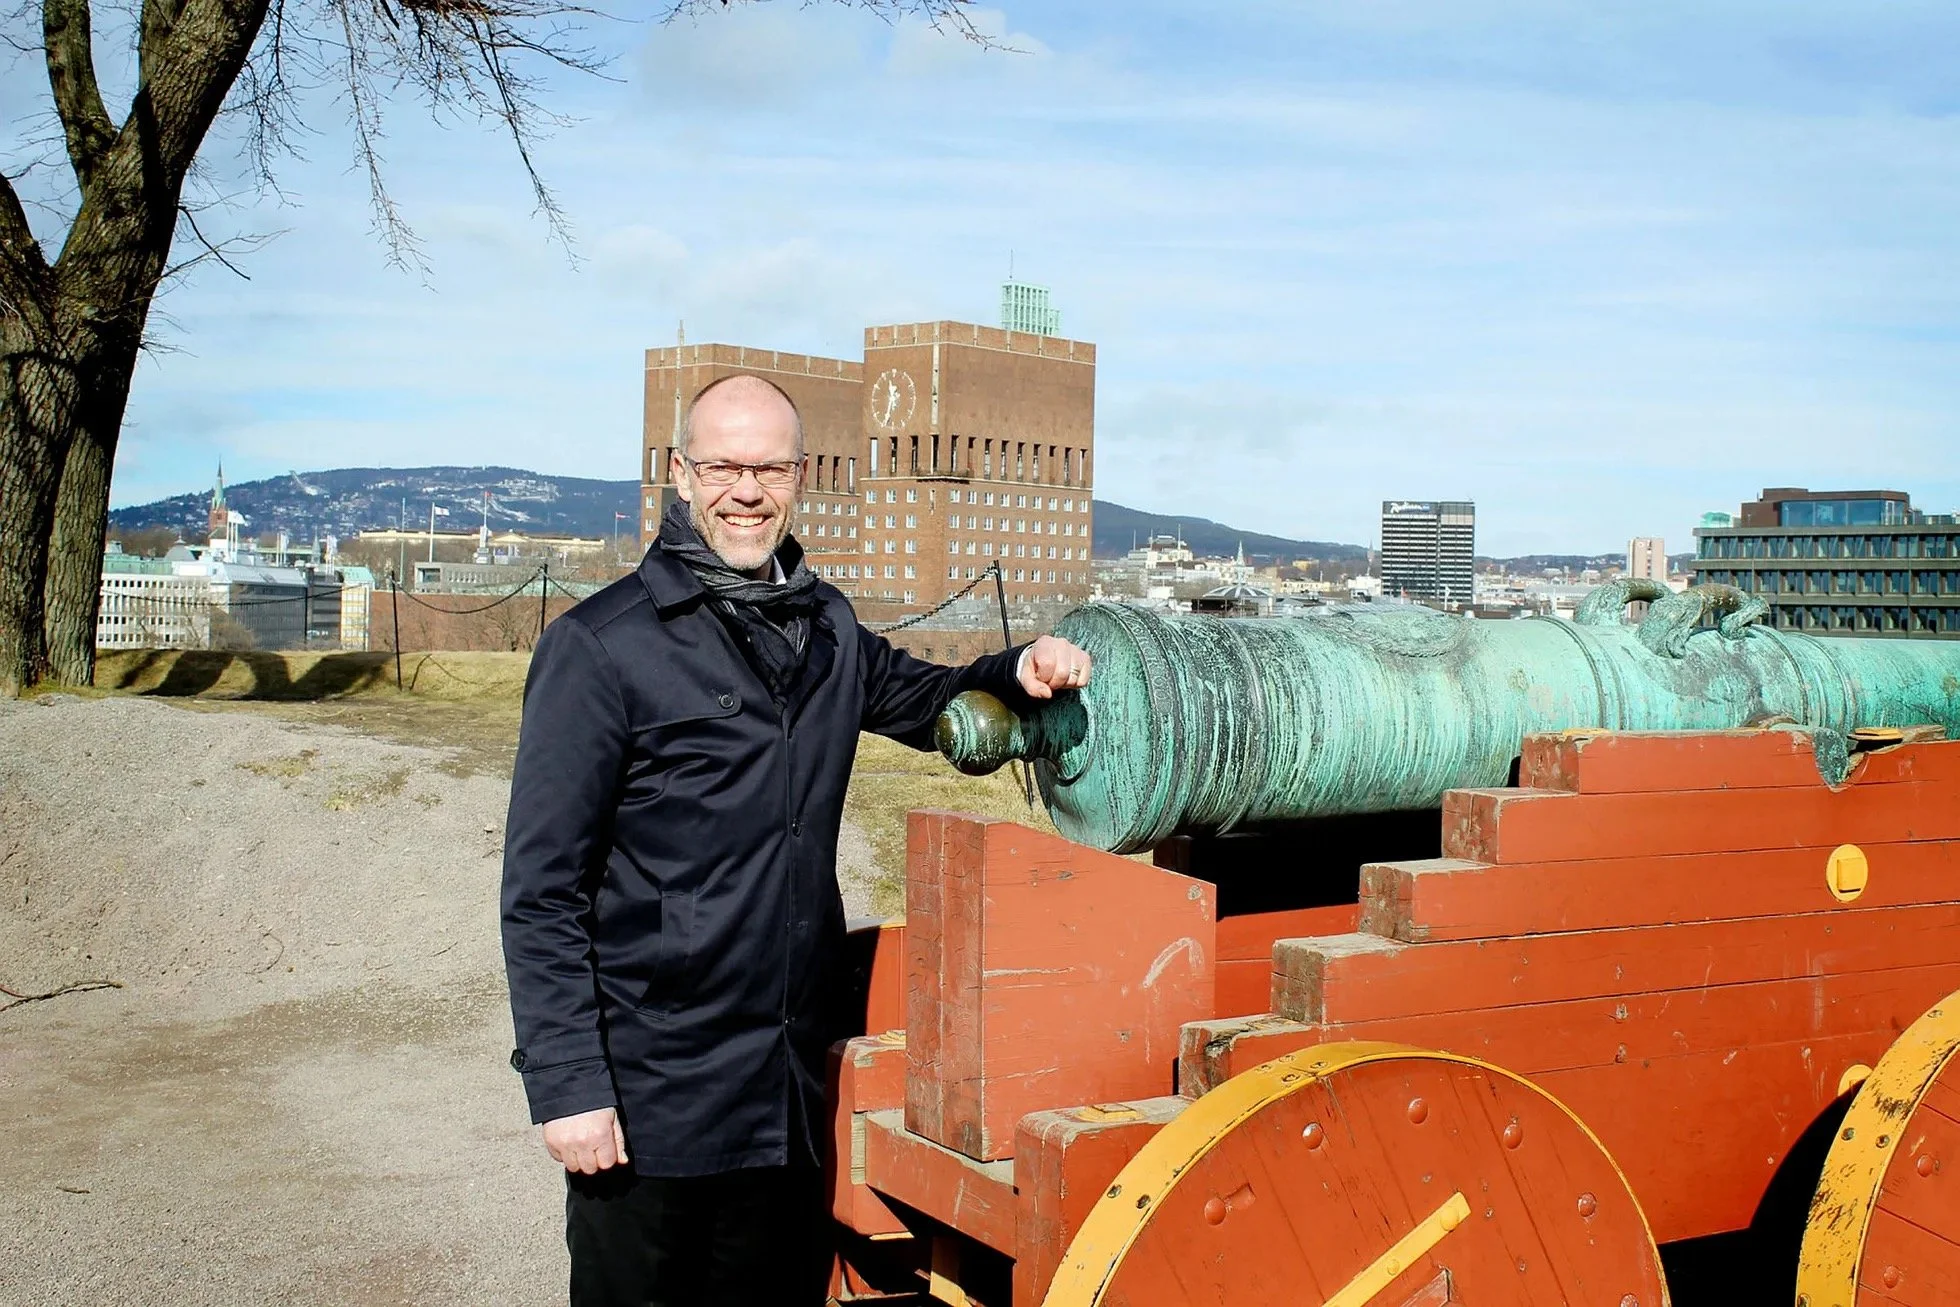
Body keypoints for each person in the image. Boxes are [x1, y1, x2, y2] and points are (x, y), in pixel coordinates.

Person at [500, 373, 1094, 1306]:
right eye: (725, 466)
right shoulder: (601, 645)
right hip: (653, 1096)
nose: (748, 489)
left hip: (784, 1094)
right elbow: (542, 891)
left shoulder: (828, 629)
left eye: (769, 466)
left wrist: (1021, 669)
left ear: (802, 474)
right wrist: (569, 1086)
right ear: (682, 474)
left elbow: (927, 695)